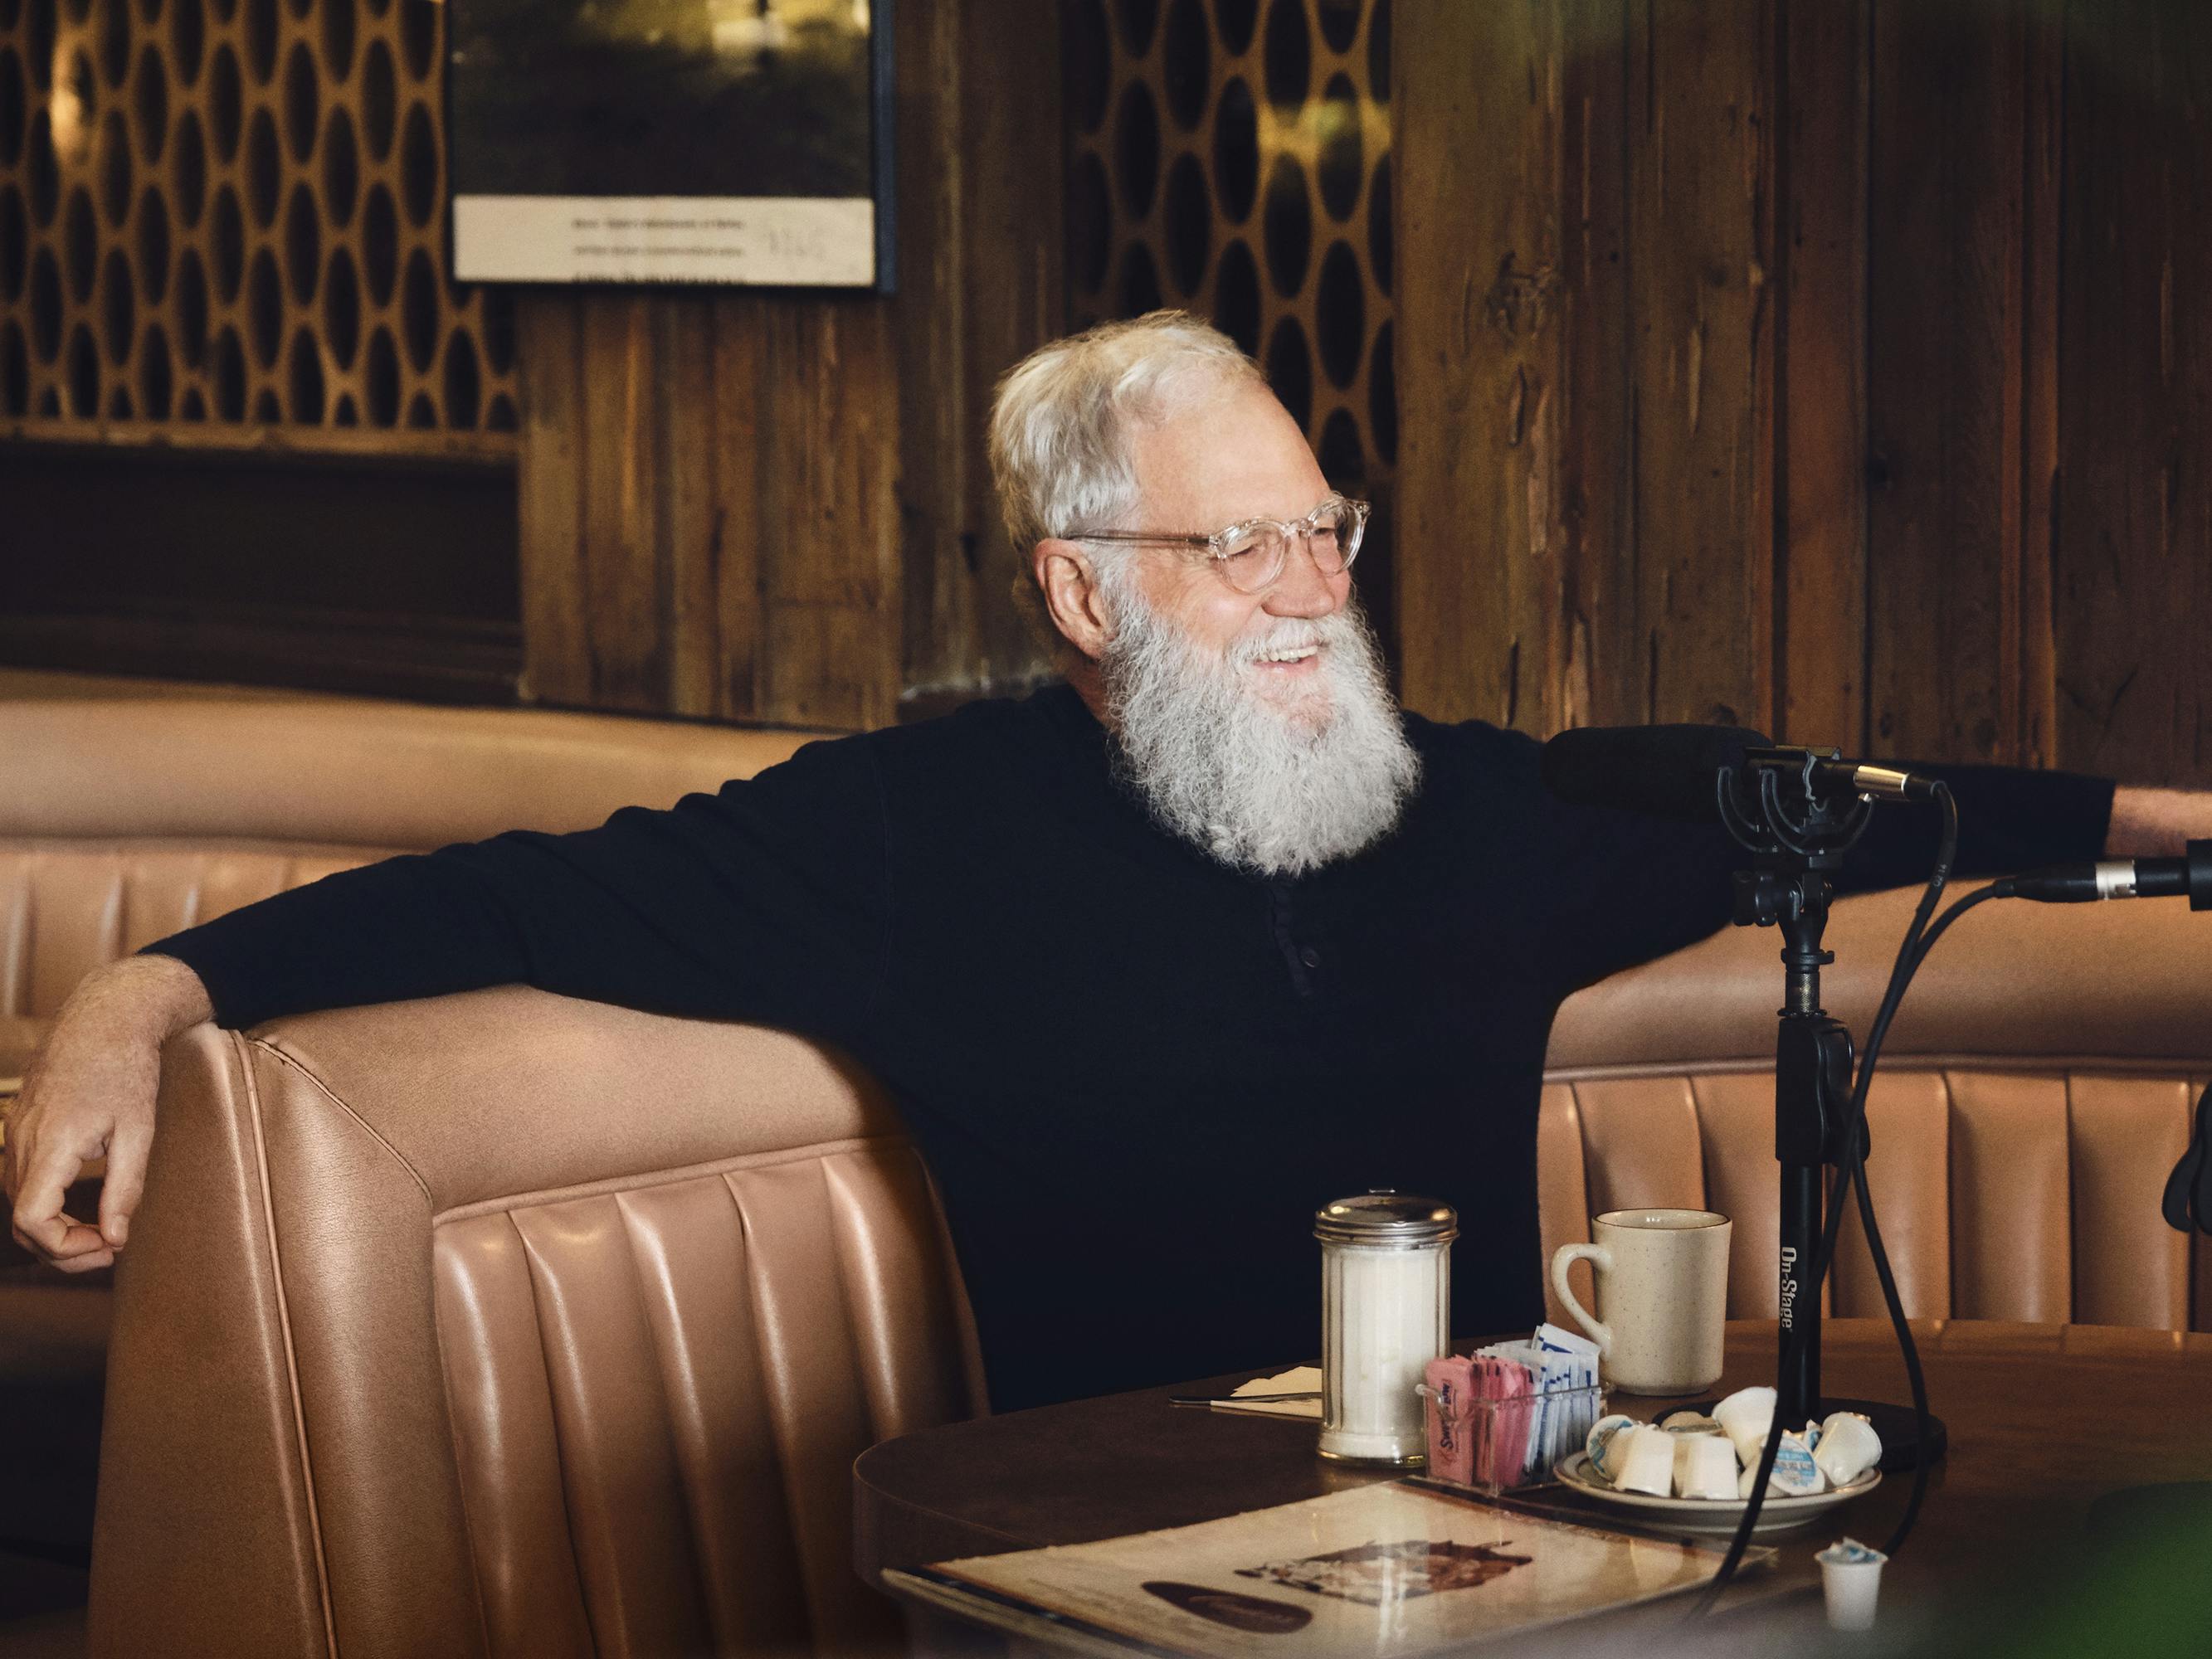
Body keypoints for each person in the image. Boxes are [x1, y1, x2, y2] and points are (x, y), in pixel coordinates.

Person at [5, 313, 2205, 1413]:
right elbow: (500, 896)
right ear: (1077, 595)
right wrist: (148, 993)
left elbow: (1828, 805)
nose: (1297, 587)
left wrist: (2146, 832)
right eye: (1228, 545)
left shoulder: (1483, 811)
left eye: (1319, 534)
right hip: (1101, 1571)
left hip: (1506, 1553)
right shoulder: (901, 833)